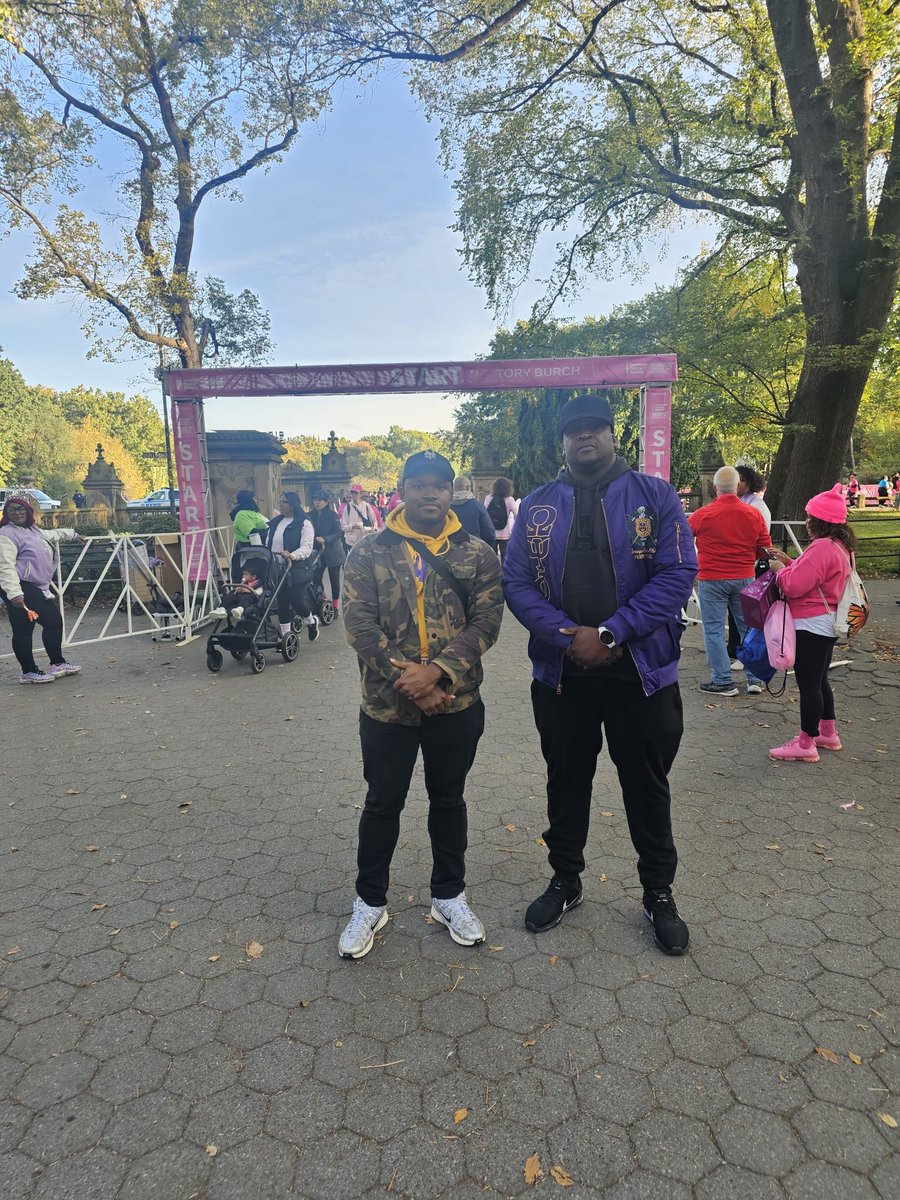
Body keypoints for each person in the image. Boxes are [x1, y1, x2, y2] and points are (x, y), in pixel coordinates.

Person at [503, 394, 698, 956]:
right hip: (562, 672)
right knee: (566, 780)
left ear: (614, 435)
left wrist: (613, 632)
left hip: (639, 670)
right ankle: (566, 879)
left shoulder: (653, 495)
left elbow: (678, 569)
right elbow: (515, 582)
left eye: (595, 428)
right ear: (562, 443)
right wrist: (568, 636)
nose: (584, 438)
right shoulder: (539, 504)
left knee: (646, 785)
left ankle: (658, 893)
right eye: (573, 432)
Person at [338, 450, 504, 960]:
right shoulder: (368, 552)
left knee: (449, 799)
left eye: (439, 485)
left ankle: (448, 895)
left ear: (451, 492)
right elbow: (358, 623)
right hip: (387, 707)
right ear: (402, 490)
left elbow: (488, 621)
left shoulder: (477, 553)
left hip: (456, 702)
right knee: (382, 803)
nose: (429, 493)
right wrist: (406, 676)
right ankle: (370, 902)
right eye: (418, 485)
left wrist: (438, 672)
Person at [766, 483, 854, 762]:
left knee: (809, 684)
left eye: (808, 518)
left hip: (812, 623)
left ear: (818, 521)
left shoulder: (821, 549)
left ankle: (806, 743)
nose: (805, 523)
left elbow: (794, 586)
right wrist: (790, 561)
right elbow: (815, 576)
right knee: (820, 679)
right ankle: (828, 732)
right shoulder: (839, 546)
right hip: (826, 622)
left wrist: (780, 571)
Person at [687, 466, 772, 696]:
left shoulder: (703, 514)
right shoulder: (753, 513)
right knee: (748, 628)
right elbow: (765, 548)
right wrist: (747, 559)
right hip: (744, 576)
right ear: (736, 487)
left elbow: (682, 538)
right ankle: (755, 679)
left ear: (715, 488)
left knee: (713, 630)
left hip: (711, 577)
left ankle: (723, 681)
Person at [0, 495, 84, 684]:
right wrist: (15, 594)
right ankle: (28, 672)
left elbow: (52, 534)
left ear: (28, 512)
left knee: (54, 621)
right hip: (19, 585)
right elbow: (4, 566)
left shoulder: (32, 530)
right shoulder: (6, 534)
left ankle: (57, 663)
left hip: (35, 586)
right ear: (6, 514)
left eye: (21, 509)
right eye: (12, 510)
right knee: (24, 628)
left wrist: (73, 535)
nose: (17, 513)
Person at [727, 465, 772, 668]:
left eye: (739, 480)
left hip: (751, 565)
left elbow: (759, 538)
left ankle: (750, 654)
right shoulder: (744, 502)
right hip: (742, 564)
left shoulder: (756, 506)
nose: (736, 485)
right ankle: (739, 650)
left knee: (747, 614)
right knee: (739, 612)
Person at [266, 492, 319, 642]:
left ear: (292, 504)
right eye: (280, 501)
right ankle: (286, 637)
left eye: (284, 502)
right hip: (277, 568)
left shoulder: (304, 523)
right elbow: (269, 543)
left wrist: (292, 555)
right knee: (282, 601)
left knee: (297, 601)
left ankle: (311, 621)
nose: (280, 505)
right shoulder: (276, 522)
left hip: (297, 568)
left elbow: (307, 548)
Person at [308, 489, 346, 615]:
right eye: (315, 500)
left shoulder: (332, 515)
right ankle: (322, 601)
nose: (316, 502)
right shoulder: (310, 515)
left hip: (333, 552)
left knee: (334, 580)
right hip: (318, 552)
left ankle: (335, 607)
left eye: (320, 500)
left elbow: (338, 533)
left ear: (326, 502)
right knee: (316, 578)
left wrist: (325, 539)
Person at [229, 489, 269, 577]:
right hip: (252, 554)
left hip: (262, 553)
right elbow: (252, 533)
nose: (256, 500)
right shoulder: (241, 515)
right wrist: (268, 532)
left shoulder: (254, 513)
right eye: (254, 498)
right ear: (249, 499)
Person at [450, 475, 496, 551]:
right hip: (474, 551)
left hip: (450, 551)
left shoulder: (446, 507)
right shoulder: (477, 506)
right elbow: (489, 533)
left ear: (453, 488)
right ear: (468, 487)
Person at [485, 477, 518, 561]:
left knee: (491, 557)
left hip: (491, 532)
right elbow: (516, 515)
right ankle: (505, 573)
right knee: (505, 557)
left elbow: (485, 514)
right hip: (505, 533)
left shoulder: (488, 498)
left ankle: (493, 573)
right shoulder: (510, 499)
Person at [340, 484, 382, 549]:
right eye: (352, 493)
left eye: (356, 493)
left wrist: (374, 528)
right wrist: (352, 526)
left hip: (365, 539)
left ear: (361, 493)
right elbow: (343, 527)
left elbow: (374, 520)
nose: (353, 495)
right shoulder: (347, 508)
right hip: (351, 541)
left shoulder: (366, 506)